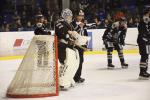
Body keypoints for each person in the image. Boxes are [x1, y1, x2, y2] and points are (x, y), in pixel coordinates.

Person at [55, 8, 79, 90]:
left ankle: (68, 78)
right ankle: (62, 82)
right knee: (64, 63)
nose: (69, 17)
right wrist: (69, 33)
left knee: (71, 63)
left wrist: (75, 39)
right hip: (62, 46)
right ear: (64, 16)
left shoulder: (70, 25)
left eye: (70, 16)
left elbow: (72, 35)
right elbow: (62, 31)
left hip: (69, 47)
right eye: (68, 16)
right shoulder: (59, 22)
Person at [72, 9, 88, 83]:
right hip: (74, 45)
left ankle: (77, 77)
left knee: (81, 61)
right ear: (76, 16)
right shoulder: (72, 23)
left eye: (82, 15)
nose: (81, 17)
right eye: (79, 15)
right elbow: (72, 33)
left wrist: (86, 44)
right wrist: (79, 27)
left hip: (81, 45)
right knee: (74, 62)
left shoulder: (83, 24)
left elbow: (85, 34)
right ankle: (72, 77)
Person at [137, 10, 150, 79]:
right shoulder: (145, 19)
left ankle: (144, 71)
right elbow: (145, 30)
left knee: (146, 55)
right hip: (143, 40)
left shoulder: (146, 19)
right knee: (144, 55)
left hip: (145, 40)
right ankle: (142, 73)